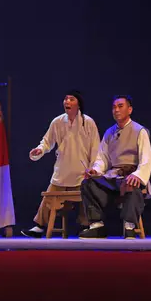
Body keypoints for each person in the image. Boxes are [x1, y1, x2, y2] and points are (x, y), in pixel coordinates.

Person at [21, 90, 100, 238]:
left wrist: (94, 168)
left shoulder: (87, 122)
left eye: (71, 99)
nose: (67, 102)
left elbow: (95, 147)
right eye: (65, 99)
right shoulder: (57, 122)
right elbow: (47, 141)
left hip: (82, 172)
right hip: (63, 170)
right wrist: (40, 150)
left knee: (87, 194)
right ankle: (39, 226)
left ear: (79, 103)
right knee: (50, 196)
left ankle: (86, 226)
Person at [79, 95, 151, 239]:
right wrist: (95, 170)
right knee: (88, 183)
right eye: (114, 107)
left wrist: (137, 175)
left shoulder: (139, 131)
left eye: (120, 106)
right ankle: (97, 226)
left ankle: (129, 225)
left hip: (130, 174)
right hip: (113, 177)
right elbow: (102, 158)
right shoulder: (109, 132)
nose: (116, 110)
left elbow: (146, 159)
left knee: (132, 183)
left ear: (129, 109)